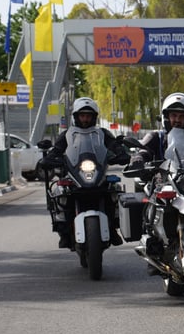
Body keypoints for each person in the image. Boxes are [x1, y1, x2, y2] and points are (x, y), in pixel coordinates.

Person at [39, 97, 129, 247]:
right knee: (60, 191)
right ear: (76, 117)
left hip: (97, 173)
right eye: (82, 115)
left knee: (114, 190)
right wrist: (49, 159)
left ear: (94, 117)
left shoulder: (102, 133)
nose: (85, 119)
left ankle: (113, 228)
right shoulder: (67, 135)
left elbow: (114, 146)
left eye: (88, 116)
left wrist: (121, 154)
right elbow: (56, 151)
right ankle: (65, 232)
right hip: (75, 174)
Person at [130, 92, 184, 259]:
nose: (177, 119)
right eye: (174, 115)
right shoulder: (156, 136)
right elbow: (143, 149)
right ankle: (152, 238)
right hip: (164, 182)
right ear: (166, 117)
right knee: (152, 197)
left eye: (182, 116)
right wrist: (139, 157)